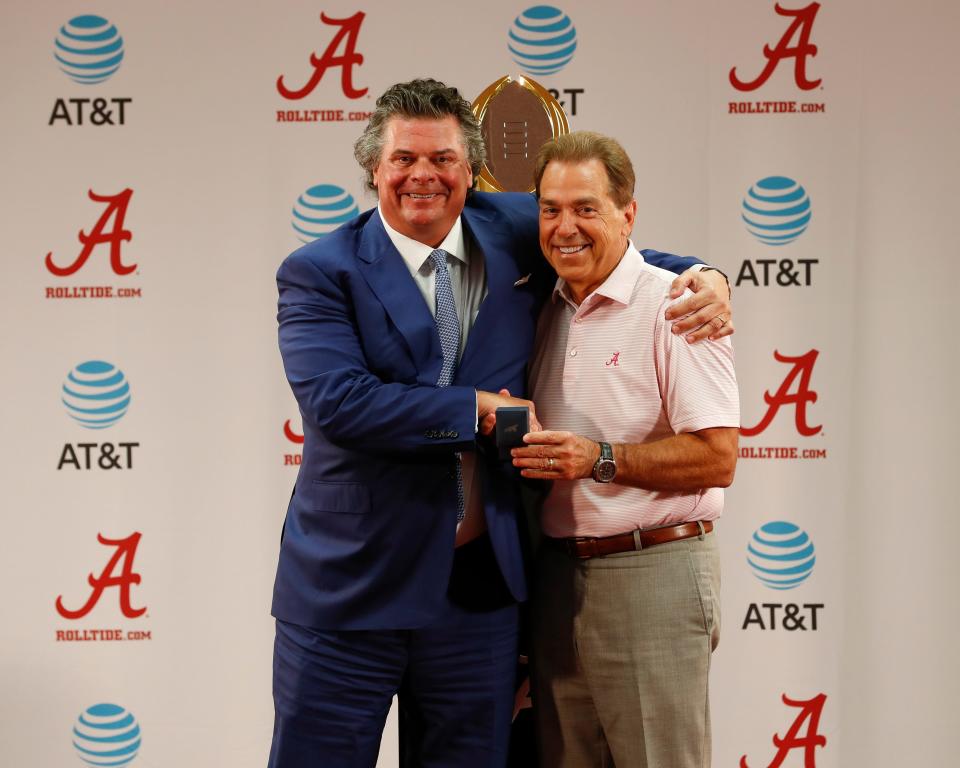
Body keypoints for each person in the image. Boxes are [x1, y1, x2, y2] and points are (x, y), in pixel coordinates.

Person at [269, 80, 732, 768]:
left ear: (471, 168)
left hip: (477, 595)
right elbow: (340, 404)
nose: (423, 175)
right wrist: (477, 408)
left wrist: (705, 274)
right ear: (374, 167)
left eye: (444, 159)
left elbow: (607, 243)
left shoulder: (515, 227)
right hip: (350, 590)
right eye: (404, 159)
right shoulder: (318, 271)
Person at [512, 131, 740, 768]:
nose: (565, 227)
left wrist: (599, 458)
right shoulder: (542, 307)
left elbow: (718, 456)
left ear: (627, 214)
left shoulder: (678, 305)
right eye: (551, 210)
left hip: (654, 573)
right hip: (558, 582)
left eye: (586, 208)